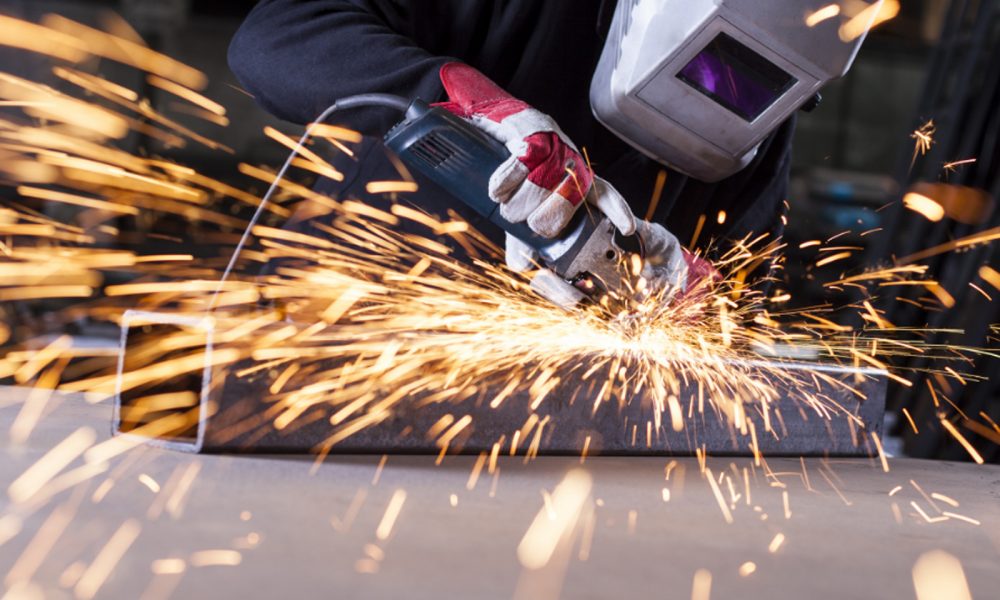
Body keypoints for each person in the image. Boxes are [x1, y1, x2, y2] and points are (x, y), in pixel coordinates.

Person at [228, 0, 795, 300]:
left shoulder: (780, 66)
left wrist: (696, 298)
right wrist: (471, 102)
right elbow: (277, 37)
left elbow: (745, 281)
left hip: (556, 406)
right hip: (344, 320)